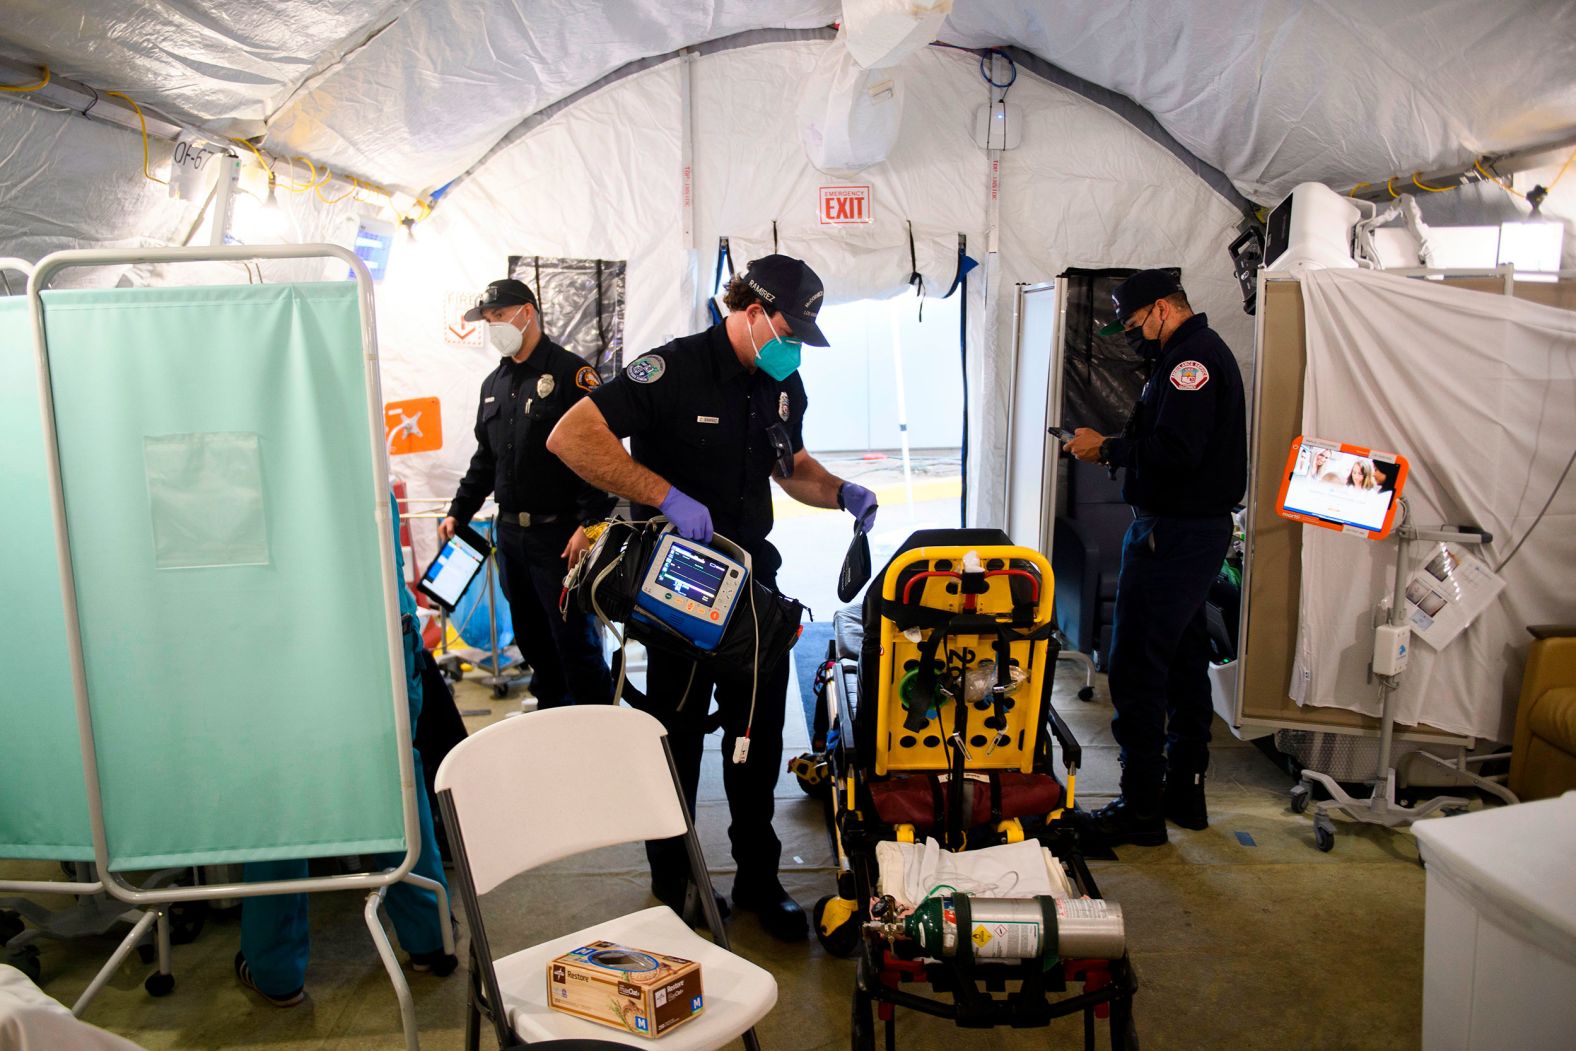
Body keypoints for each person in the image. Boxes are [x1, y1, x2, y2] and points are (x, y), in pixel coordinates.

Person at [547, 255, 877, 940]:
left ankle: (759, 876)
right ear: (752, 312)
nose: (794, 349)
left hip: (754, 590)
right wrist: (660, 494)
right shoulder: (669, 369)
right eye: (789, 331)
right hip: (681, 590)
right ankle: (675, 881)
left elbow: (792, 467)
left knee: (756, 741)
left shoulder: (782, 384)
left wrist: (840, 490)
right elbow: (572, 435)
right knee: (678, 739)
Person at [236, 493, 455, 1005]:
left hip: (274, 629)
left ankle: (275, 970)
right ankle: (431, 939)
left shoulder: (236, 450)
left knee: (278, 787)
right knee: (390, 773)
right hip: (372, 626)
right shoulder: (350, 430)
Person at [1064, 269, 1246, 846]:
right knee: (1185, 661)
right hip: (1188, 533)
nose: (1134, 335)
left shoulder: (1191, 364)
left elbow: (1176, 451)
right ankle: (1184, 793)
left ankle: (1139, 809)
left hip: (1172, 535)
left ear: (1164, 309)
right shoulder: (1191, 357)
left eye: (1137, 322)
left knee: (1138, 667)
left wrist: (1108, 447)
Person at [440, 278, 617, 708]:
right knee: (532, 641)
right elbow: (486, 460)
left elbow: (602, 454)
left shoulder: (572, 374)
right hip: (512, 537)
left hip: (560, 538)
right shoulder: (494, 385)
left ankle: (598, 728)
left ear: (527, 313)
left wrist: (589, 526)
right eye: (488, 320)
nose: (494, 326)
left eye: (499, 316)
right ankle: (552, 718)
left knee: (574, 641)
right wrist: (457, 513)